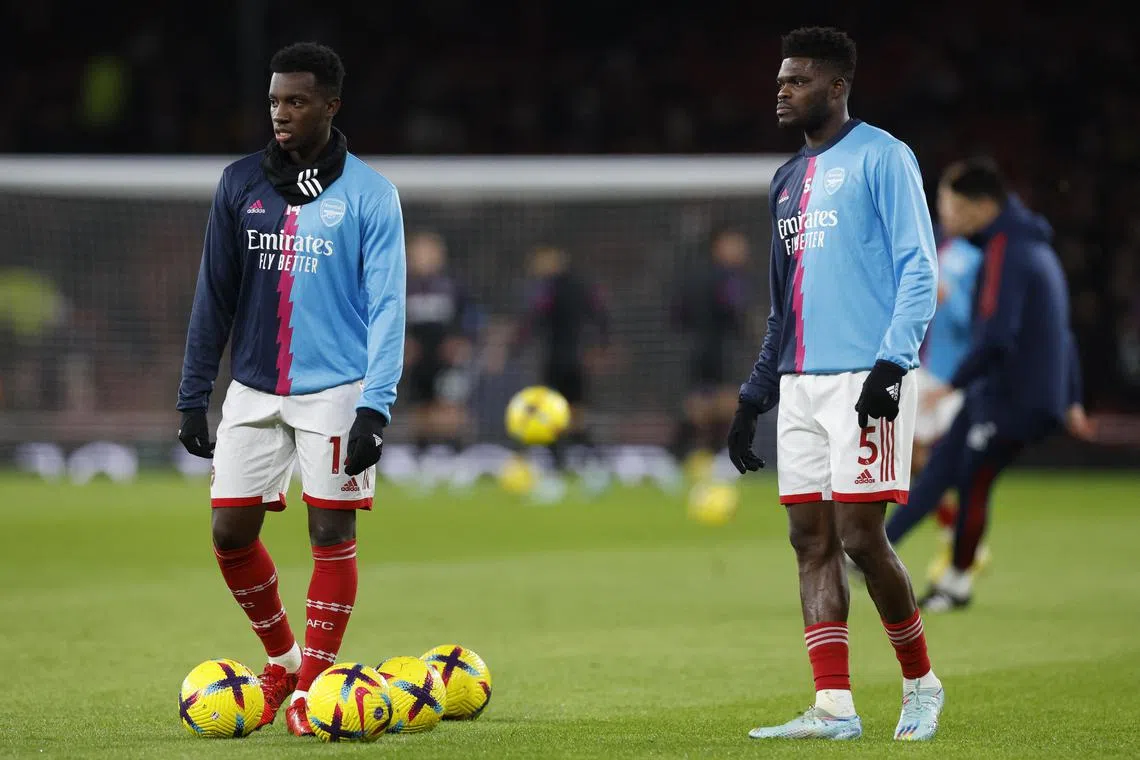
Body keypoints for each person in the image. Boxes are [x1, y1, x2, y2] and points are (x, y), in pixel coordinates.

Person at [175, 42, 406, 736]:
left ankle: (313, 688)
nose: (281, 113)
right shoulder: (239, 183)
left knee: (329, 530)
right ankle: (282, 661)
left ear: (331, 105)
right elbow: (212, 293)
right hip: (253, 386)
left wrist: (376, 404)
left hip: (336, 388)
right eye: (275, 100)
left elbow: (389, 302)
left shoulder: (369, 193)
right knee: (228, 531)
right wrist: (194, 392)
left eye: (297, 100)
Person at [726, 27, 944, 741]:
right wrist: (754, 392)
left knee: (859, 535)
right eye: (780, 80)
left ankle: (921, 684)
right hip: (799, 385)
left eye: (797, 80)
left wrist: (893, 364)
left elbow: (918, 267)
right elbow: (780, 299)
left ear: (836, 86)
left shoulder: (884, 156)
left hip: (866, 375)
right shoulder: (786, 181)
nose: (781, 91)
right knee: (808, 539)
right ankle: (834, 707)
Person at [883, 156, 1094, 611]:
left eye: (950, 206)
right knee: (942, 470)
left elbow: (997, 337)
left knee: (971, 477)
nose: (945, 217)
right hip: (1000, 391)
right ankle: (871, 551)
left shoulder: (1006, 251)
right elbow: (1063, 331)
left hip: (1015, 396)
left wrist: (952, 384)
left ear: (980, 207)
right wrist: (1073, 394)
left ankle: (956, 582)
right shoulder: (1030, 247)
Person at [912, 163, 986, 581]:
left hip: (960, 377)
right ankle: (952, 533)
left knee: (954, 464)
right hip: (930, 370)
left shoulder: (979, 258)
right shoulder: (942, 252)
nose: (944, 211)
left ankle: (967, 544)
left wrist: (948, 299)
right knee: (911, 456)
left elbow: (977, 320)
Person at [509, 245, 610, 474]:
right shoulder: (583, 285)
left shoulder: (549, 289)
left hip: (560, 357)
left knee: (556, 408)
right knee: (575, 410)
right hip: (575, 355)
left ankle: (563, 457)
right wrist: (602, 344)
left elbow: (533, 319)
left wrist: (515, 346)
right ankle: (582, 456)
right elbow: (600, 314)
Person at [670, 226, 753, 472]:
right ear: (720, 245)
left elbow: (677, 313)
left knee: (701, 406)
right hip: (719, 348)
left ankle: (681, 456)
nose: (741, 250)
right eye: (735, 243)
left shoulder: (694, 275)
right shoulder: (729, 278)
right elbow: (736, 313)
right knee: (725, 404)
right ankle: (715, 457)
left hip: (697, 347)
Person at [402, 230, 481, 457]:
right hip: (417, 357)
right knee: (420, 408)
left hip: (447, 357)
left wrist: (463, 340)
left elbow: (473, 315)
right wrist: (403, 343)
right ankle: (421, 460)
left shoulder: (453, 284)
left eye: (429, 252)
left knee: (451, 407)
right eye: (419, 252)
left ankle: (458, 456)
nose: (424, 257)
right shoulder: (403, 283)